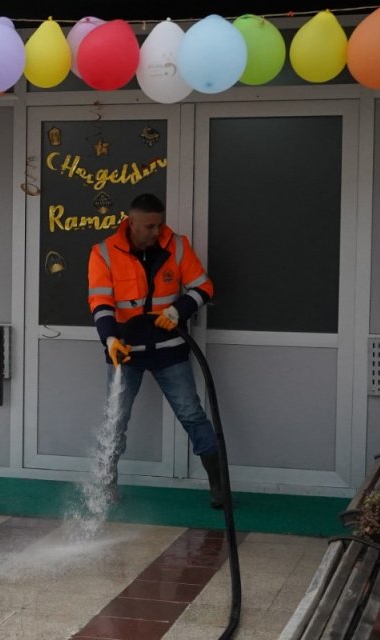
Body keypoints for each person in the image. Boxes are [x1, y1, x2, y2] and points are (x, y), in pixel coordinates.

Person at [86, 193, 222, 508]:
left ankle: (218, 485)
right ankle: (105, 488)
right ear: (131, 222)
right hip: (125, 351)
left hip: (169, 349)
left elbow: (204, 287)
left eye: (160, 225)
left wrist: (178, 311)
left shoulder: (177, 245)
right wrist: (109, 339)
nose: (156, 232)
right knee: (116, 419)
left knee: (191, 414)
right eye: (149, 226)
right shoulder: (103, 253)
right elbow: (100, 302)